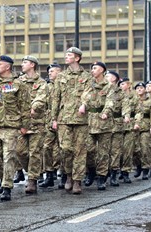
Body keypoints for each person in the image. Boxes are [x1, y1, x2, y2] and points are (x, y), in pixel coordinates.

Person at [0, 55, 30, 201]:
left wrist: (24, 125)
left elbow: (25, 106)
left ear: (7, 67)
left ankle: (7, 187)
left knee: (9, 157)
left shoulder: (18, 84)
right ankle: (2, 177)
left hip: (11, 126)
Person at [51, 47, 92, 194]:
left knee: (80, 151)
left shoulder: (87, 76)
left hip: (81, 120)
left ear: (77, 58)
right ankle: (68, 174)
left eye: (70, 55)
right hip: (64, 118)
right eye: (66, 55)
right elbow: (55, 98)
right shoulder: (61, 76)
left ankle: (77, 181)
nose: (66, 57)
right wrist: (53, 118)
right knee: (65, 149)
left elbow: (89, 94)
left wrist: (84, 104)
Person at [15, 55, 48, 194]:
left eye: (25, 62)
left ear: (33, 65)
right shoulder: (17, 81)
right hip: (20, 123)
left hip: (37, 123)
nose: (22, 64)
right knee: (19, 151)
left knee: (35, 152)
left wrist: (33, 107)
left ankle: (32, 180)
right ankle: (33, 171)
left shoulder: (41, 83)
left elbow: (41, 98)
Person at [80, 62, 114, 191]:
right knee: (88, 150)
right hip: (89, 121)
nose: (92, 70)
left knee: (103, 152)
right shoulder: (89, 84)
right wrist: (83, 105)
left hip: (104, 122)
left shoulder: (109, 86)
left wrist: (105, 113)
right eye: (92, 68)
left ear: (102, 70)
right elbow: (84, 97)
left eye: (95, 68)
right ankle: (91, 170)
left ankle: (101, 177)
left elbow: (110, 101)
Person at [39, 64, 63, 188]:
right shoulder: (46, 86)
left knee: (63, 148)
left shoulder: (65, 84)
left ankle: (64, 174)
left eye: (52, 71)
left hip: (63, 119)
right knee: (46, 147)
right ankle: (49, 174)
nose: (49, 73)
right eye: (49, 71)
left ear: (59, 72)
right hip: (49, 120)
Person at [133, 82, 151, 180]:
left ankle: (145, 169)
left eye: (141, 88)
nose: (139, 89)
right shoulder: (133, 101)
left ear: (145, 90)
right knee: (135, 150)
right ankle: (138, 166)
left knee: (145, 149)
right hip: (134, 128)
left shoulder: (150, 101)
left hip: (146, 128)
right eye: (137, 88)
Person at [119, 77, 138, 183]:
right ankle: (116, 171)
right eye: (120, 84)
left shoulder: (134, 98)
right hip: (117, 126)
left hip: (129, 126)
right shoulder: (116, 96)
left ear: (128, 85)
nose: (121, 86)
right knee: (117, 151)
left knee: (128, 151)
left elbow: (139, 111)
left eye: (123, 84)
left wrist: (136, 122)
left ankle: (125, 172)